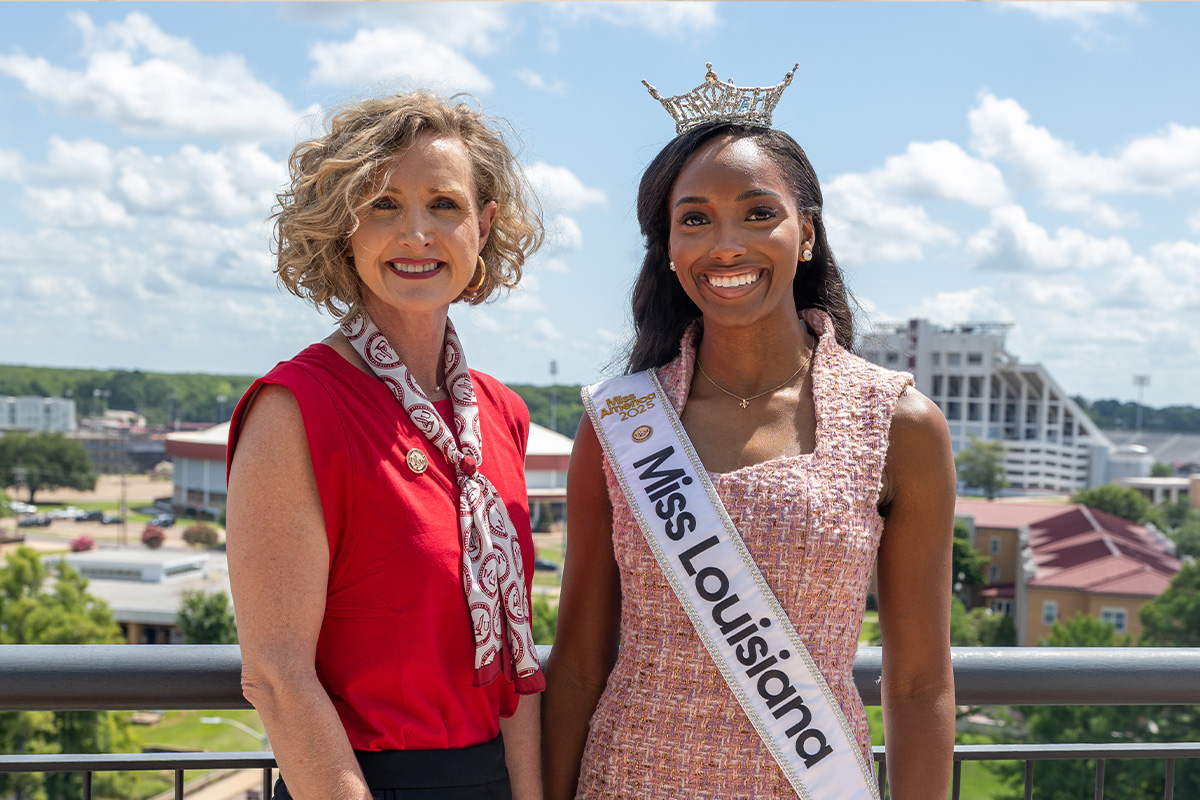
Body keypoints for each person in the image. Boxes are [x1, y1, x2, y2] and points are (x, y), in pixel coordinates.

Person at [543, 66, 955, 799]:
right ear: (667, 249)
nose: (726, 244)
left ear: (807, 235)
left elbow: (920, 682)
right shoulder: (621, 423)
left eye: (759, 212)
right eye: (694, 219)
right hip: (626, 781)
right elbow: (577, 662)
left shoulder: (898, 425)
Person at [226, 92, 546, 800]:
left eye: (444, 205)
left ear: (484, 226)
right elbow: (276, 676)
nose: (416, 233)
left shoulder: (503, 415)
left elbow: (517, 672)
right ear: (345, 230)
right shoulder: (296, 409)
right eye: (382, 206)